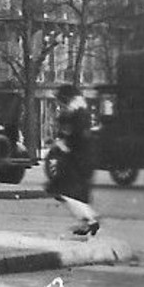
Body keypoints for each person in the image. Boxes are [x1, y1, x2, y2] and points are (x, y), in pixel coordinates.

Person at [46, 83, 99, 236]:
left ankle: (90, 220)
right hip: (83, 159)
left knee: (63, 191)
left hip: (78, 159)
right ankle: (87, 222)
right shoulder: (80, 111)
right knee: (74, 193)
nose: (59, 104)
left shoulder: (75, 114)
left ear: (66, 99)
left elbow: (76, 137)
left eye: (60, 100)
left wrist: (62, 144)